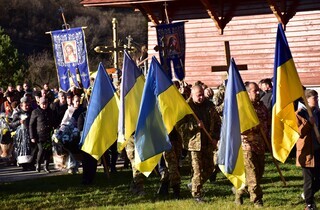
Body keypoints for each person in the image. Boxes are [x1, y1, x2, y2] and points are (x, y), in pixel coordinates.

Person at [177, 84, 221, 202]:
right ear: (192, 95)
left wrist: (216, 137)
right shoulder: (187, 107)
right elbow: (180, 126)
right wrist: (195, 126)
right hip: (194, 145)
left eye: (202, 95)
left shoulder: (209, 106)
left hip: (208, 142)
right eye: (198, 95)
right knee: (197, 170)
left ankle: (194, 184)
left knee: (210, 168)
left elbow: (217, 123)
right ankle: (197, 194)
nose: (201, 97)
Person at [235, 82, 269, 207]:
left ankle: (239, 191)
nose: (258, 93)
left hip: (261, 145)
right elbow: (240, 128)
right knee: (253, 175)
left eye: (258, 90)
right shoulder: (243, 108)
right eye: (255, 91)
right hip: (247, 146)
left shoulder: (262, 107)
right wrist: (254, 127)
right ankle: (257, 200)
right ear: (248, 93)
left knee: (258, 175)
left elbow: (267, 123)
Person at [296, 89, 320, 210]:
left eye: (317, 98)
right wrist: (309, 124)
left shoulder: (318, 112)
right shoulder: (300, 114)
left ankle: (307, 194)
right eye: (314, 98)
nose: (316, 100)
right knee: (309, 180)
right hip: (307, 152)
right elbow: (298, 133)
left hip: (318, 150)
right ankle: (309, 204)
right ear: (306, 100)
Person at [29, 97, 54, 173]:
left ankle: (46, 166)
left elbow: (53, 121)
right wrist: (32, 136)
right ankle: (38, 164)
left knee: (48, 151)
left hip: (48, 134)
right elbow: (31, 125)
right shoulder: (35, 112)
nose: (44, 105)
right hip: (39, 135)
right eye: (43, 104)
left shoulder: (50, 111)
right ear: (39, 103)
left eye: (45, 103)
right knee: (41, 150)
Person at [10, 96, 35, 171]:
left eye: (28, 105)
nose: (27, 107)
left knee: (31, 149)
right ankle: (24, 165)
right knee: (23, 150)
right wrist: (19, 122)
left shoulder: (32, 112)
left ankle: (31, 164)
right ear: (21, 105)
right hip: (21, 135)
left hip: (31, 133)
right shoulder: (17, 114)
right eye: (25, 105)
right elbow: (12, 124)